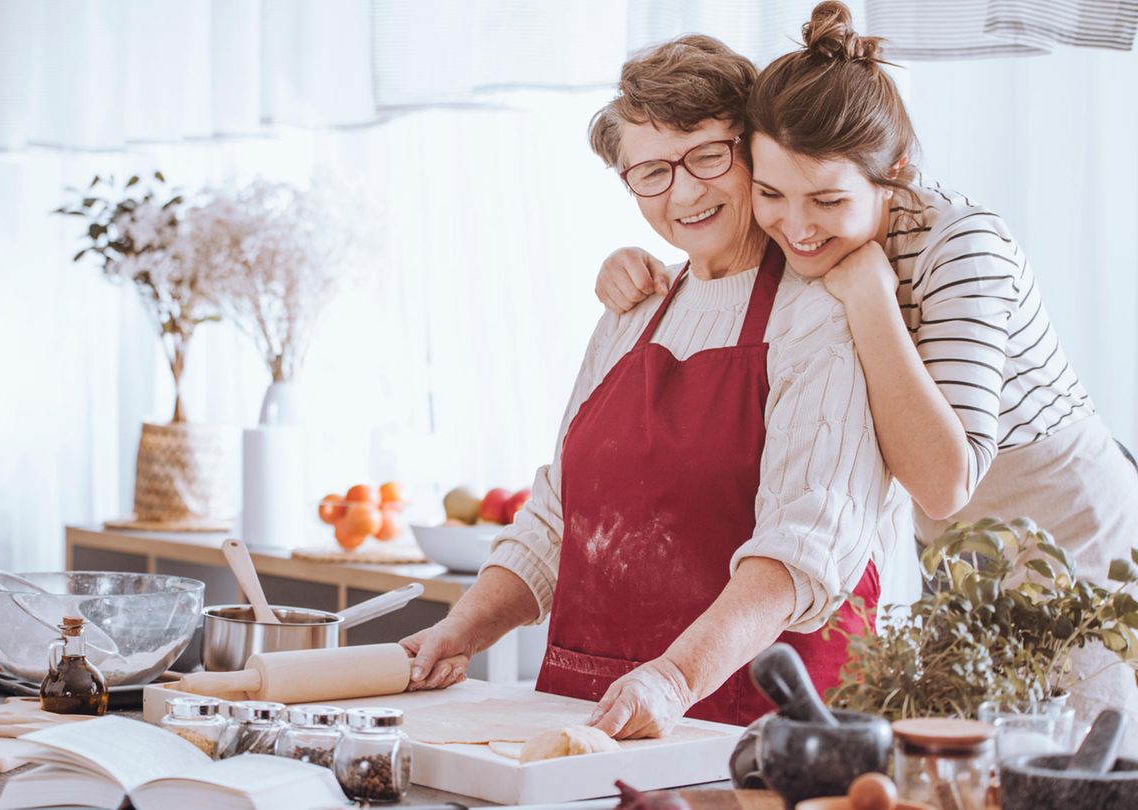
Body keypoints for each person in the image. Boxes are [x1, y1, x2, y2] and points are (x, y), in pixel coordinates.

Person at [593, 1, 1138, 732]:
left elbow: (944, 482)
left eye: (827, 200)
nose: (795, 225)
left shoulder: (963, 247)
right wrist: (633, 267)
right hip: (957, 554)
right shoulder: (803, 228)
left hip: (1071, 529)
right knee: (967, 764)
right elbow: (720, 255)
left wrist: (872, 298)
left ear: (897, 172)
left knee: (1080, 761)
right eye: (772, 194)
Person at [400, 33, 907, 738]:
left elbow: (803, 549)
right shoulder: (632, 309)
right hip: (593, 717)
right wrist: (458, 632)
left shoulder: (821, 314)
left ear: (754, 151)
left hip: (751, 728)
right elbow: (557, 518)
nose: (685, 192)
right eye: (652, 172)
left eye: (708, 156)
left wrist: (675, 677)